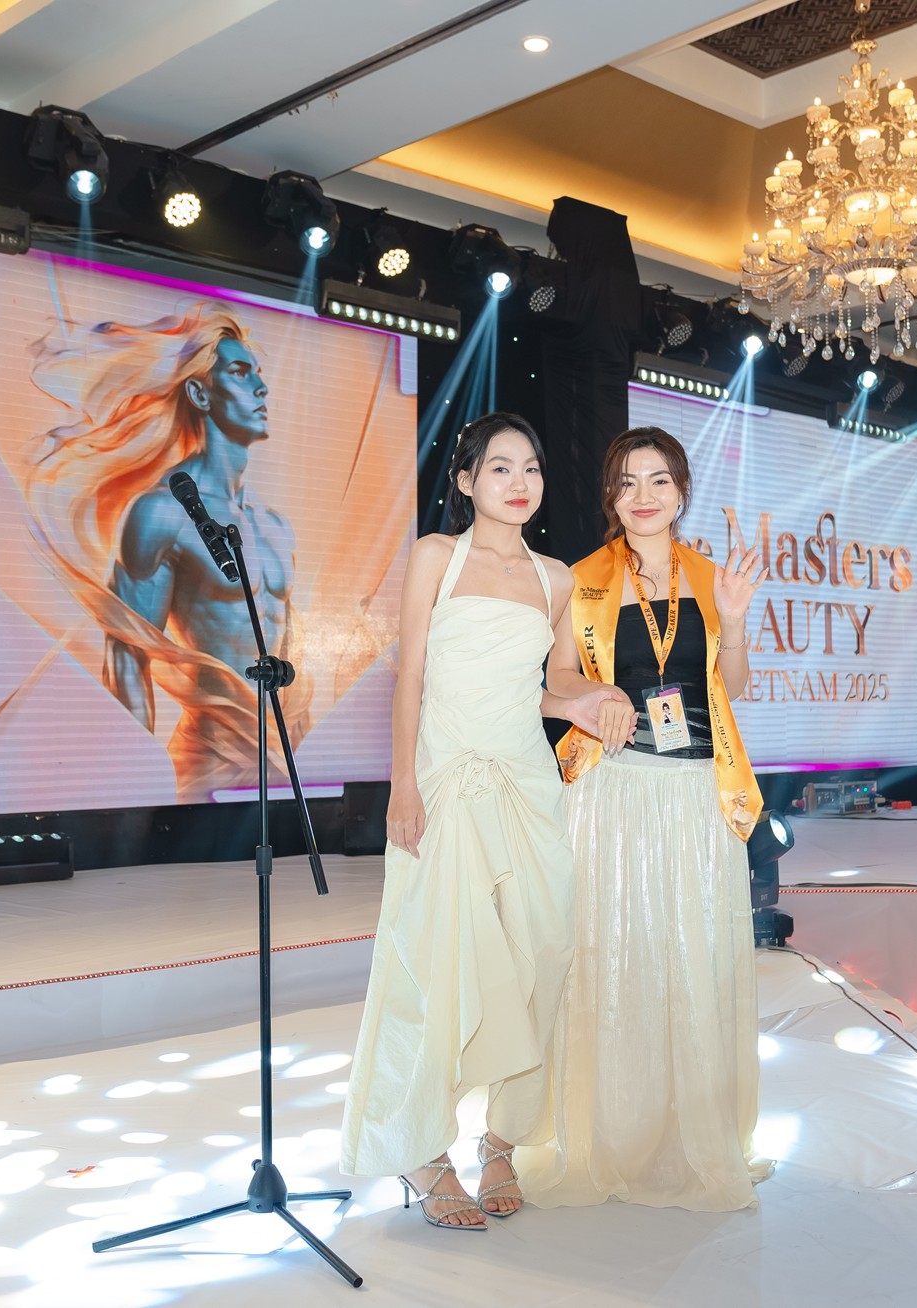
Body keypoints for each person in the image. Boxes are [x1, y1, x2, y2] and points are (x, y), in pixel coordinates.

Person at [337, 413, 631, 1230]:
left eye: (530, 467)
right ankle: (424, 1152)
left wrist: (596, 697)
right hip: (444, 783)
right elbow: (411, 678)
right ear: (466, 481)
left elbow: (553, 685)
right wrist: (403, 784)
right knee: (437, 961)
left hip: (529, 785)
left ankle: (502, 1141)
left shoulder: (556, 578)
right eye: (499, 467)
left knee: (543, 951)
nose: (519, 481)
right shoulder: (436, 555)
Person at [525, 425, 770, 1213]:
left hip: (697, 793)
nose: (643, 495)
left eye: (659, 480)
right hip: (615, 791)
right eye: (628, 481)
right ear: (611, 494)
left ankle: (690, 1135)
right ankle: (612, 1135)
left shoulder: (712, 577)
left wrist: (735, 620)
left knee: (693, 958)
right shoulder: (583, 580)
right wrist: (598, 696)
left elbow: (733, 684)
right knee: (613, 956)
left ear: (682, 492)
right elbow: (559, 674)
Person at [27, 306, 308, 800]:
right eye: (240, 373)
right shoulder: (162, 513)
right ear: (199, 393)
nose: (262, 388)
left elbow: (292, 657)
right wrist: (137, 796)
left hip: (285, 764)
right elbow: (128, 658)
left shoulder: (276, 527)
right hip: (209, 767)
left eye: (259, 373)